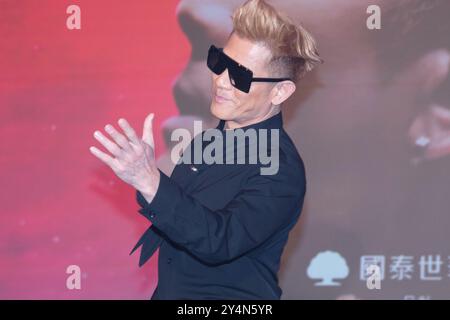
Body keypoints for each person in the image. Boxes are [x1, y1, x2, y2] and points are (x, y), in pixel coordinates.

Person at [90, 0, 322, 299]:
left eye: (240, 75)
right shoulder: (209, 139)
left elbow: (219, 240)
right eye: (219, 62)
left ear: (280, 90)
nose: (220, 81)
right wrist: (144, 176)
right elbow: (184, 214)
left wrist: (150, 180)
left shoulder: (279, 168)